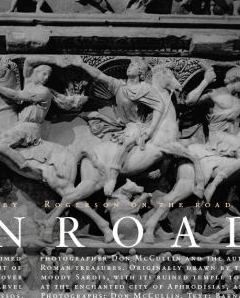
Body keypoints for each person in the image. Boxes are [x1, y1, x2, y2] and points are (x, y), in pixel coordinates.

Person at [79, 58, 166, 195]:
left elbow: (160, 105)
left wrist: (150, 129)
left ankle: (112, 176)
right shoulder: (119, 86)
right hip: (124, 126)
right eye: (130, 65)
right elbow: (99, 75)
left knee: (127, 141)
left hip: (138, 125)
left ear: (141, 72)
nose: (129, 67)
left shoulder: (145, 88)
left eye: (133, 65)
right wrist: (81, 64)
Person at [185, 66, 240, 158]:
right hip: (217, 139)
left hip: (233, 136)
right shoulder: (215, 93)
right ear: (236, 79)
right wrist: (206, 81)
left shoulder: (238, 100)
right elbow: (189, 101)